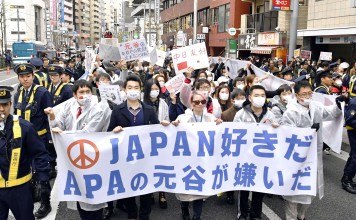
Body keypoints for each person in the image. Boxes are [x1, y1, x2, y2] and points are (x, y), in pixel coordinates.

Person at [107, 74, 169, 220]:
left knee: (146, 190)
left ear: (140, 89)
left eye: (136, 87)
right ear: (124, 89)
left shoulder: (148, 109)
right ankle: (132, 214)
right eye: (130, 87)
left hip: (145, 157)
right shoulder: (117, 110)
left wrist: (164, 126)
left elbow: (155, 130)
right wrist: (114, 131)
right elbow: (109, 133)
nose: (133, 90)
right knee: (128, 189)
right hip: (126, 157)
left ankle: (144, 215)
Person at [44, 80, 109, 220]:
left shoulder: (99, 108)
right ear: (74, 95)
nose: (85, 95)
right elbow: (59, 124)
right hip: (73, 159)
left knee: (93, 199)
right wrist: (53, 117)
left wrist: (64, 134)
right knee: (79, 195)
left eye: (88, 92)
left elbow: (88, 133)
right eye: (81, 92)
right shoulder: (69, 105)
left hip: (91, 157)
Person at [281, 80, 344, 220]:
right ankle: (291, 217)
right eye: (304, 94)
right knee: (294, 188)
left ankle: (301, 215)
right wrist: (308, 132)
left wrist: (339, 104)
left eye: (310, 93)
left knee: (310, 187)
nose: (308, 96)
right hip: (296, 157)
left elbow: (331, 114)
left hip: (313, 155)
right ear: (297, 95)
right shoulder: (290, 112)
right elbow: (288, 134)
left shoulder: (315, 106)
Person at [0, 86, 50, 220]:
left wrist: (43, 180)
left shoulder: (24, 127)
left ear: (11, 105)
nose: (1, 109)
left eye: (4, 104)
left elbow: (39, 154)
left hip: (20, 189)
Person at [172, 90, 222, 220]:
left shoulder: (211, 118)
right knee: (186, 187)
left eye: (203, 101)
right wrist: (174, 125)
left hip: (203, 160)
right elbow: (174, 135)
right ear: (191, 103)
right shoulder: (183, 118)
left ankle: (197, 216)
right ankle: (184, 208)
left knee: (200, 188)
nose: (200, 104)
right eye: (196, 102)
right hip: (187, 160)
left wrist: (220, 125)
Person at [13, 63, 53, 218]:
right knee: (27, 169)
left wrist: (50, 140)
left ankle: (46, 203)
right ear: (19, 78)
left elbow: (50, 118)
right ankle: (34, 194)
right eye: (22, 77)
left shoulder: (42, 93)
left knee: (42, 170)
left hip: (40, 139)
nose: (25, 79)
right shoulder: (18, 94)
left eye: (28, 76)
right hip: (23, 140)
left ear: (33, 76)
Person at [233, 85, 278, 220]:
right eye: (256, 95)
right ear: (250, 97)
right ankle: (242, 214)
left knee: (259, 188)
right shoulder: (241, 114)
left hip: (263, 158)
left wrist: (277, 128)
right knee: (244, 189)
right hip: (245, 157)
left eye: (263, 95)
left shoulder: (270, 114)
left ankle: (256, 215)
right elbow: (234, 133)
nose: (260, 98)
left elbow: (279, 136)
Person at [341, 94, 356, 194]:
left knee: (353, 155)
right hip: (353, 131)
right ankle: (347, 181)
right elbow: (350, 120)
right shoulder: (354, 102)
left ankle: (347, 177)